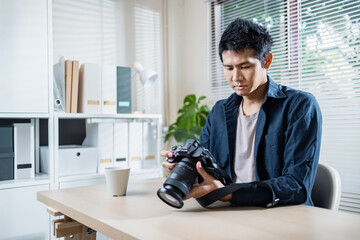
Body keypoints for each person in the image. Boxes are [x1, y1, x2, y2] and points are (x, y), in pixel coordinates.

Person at [161, 18, 322, 207]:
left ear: (267, 60)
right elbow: (206, 169)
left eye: (244, 67)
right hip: (231, 212)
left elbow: (296, 186)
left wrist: (228, 194)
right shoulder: (219, 112)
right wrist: (185, 168)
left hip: (283, 214)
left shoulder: (299, 106)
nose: (236, 77)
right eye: (228, 68)